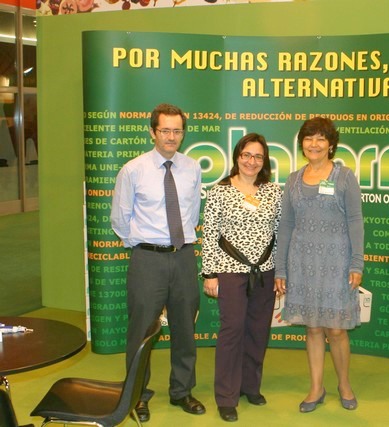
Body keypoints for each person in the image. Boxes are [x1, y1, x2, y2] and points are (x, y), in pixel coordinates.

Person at [111, 103, 206, 423]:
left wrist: (180, 243)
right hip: (147, 259)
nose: (171, 137)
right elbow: (120, 218)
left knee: (185, 329)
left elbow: (192, 215)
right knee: (141, 332)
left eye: (177, 131)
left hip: (183, 258)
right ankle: (137, 395)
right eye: (165, 130)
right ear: (152, 132)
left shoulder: (192, 168)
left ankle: (182, 391)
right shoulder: (133, 170)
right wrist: (142, 244)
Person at [274, 117, 364, 413]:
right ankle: (316, 388)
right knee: (313, 328)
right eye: (309, 138)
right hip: (302, 262)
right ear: (302, 143)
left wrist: (357, 263)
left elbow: (355, 221)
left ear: (331, 145)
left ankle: (344, 384)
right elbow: (286, 225)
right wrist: (281, 269)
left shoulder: (345, 177)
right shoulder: (293, 180)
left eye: (321, 138)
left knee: (336, 330)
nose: (314, 144)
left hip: (337, 263)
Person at [201, 133, 282, 422]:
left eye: (258, 156)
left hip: (265, 272)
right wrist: (209, 274)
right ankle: (226, 397)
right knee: (232, 331)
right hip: (230, 271)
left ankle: (250, 386)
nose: (251, 161)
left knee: (258, 331)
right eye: (247, 155)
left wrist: (281, 272)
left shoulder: (274, 191)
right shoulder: (219, 191)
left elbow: (280, 233)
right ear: (237, 156)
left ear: (264, 160)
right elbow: (210, 235)